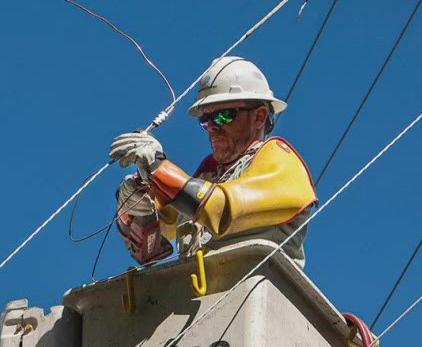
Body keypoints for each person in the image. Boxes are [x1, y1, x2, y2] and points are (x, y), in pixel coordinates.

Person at [110, 56, 318, 267]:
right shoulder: (208, 177)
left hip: (257, 293)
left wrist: (158, 167)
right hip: (206, 296)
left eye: (223, 116)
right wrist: (134, 208)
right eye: (205, 119)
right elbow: (153, 240)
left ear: (259, 117)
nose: (211, 127)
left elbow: (222, 209)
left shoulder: (280, 162)